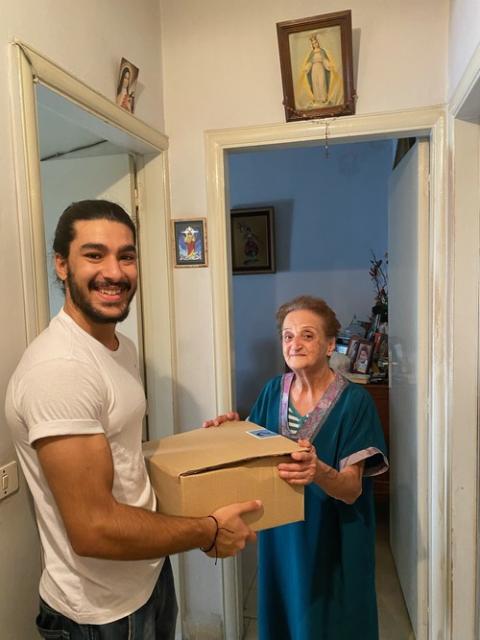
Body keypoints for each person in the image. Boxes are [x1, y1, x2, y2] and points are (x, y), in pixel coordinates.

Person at [5, 200, 261, 639]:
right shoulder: (60, 370)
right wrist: (209, 530)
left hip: (146, 578)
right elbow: (94, 529)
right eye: (94, 254)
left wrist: (212, 447)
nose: (115, 272)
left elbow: (121, 455)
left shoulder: (118, 346)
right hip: (99, 612)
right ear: (61, 265)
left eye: (126, 255)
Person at [203, 295, 388, 640]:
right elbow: (253, 450)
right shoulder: (274, 389)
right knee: (286, 613)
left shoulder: (355, 402)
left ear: (331, 344)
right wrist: (230, 430)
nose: (295, 343)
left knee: (333, 618)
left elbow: (351, 489)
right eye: (288, 336)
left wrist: (319, 471)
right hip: (282, 532)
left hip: (334, 537)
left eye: (307, 335)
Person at [296, 34, 343, 109]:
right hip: (314, 69)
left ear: (318, 43)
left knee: (322, 82)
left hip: (321, 68)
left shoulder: (322, 51)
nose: (315, 44)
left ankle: (323, 99)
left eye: (316, 42)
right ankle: (317, 99)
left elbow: (324, 60)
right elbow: (310, 62)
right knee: (315, 83)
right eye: (313, 43)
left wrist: (328, 65)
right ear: (312, 45)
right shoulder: (312, 53)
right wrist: (307, 68)